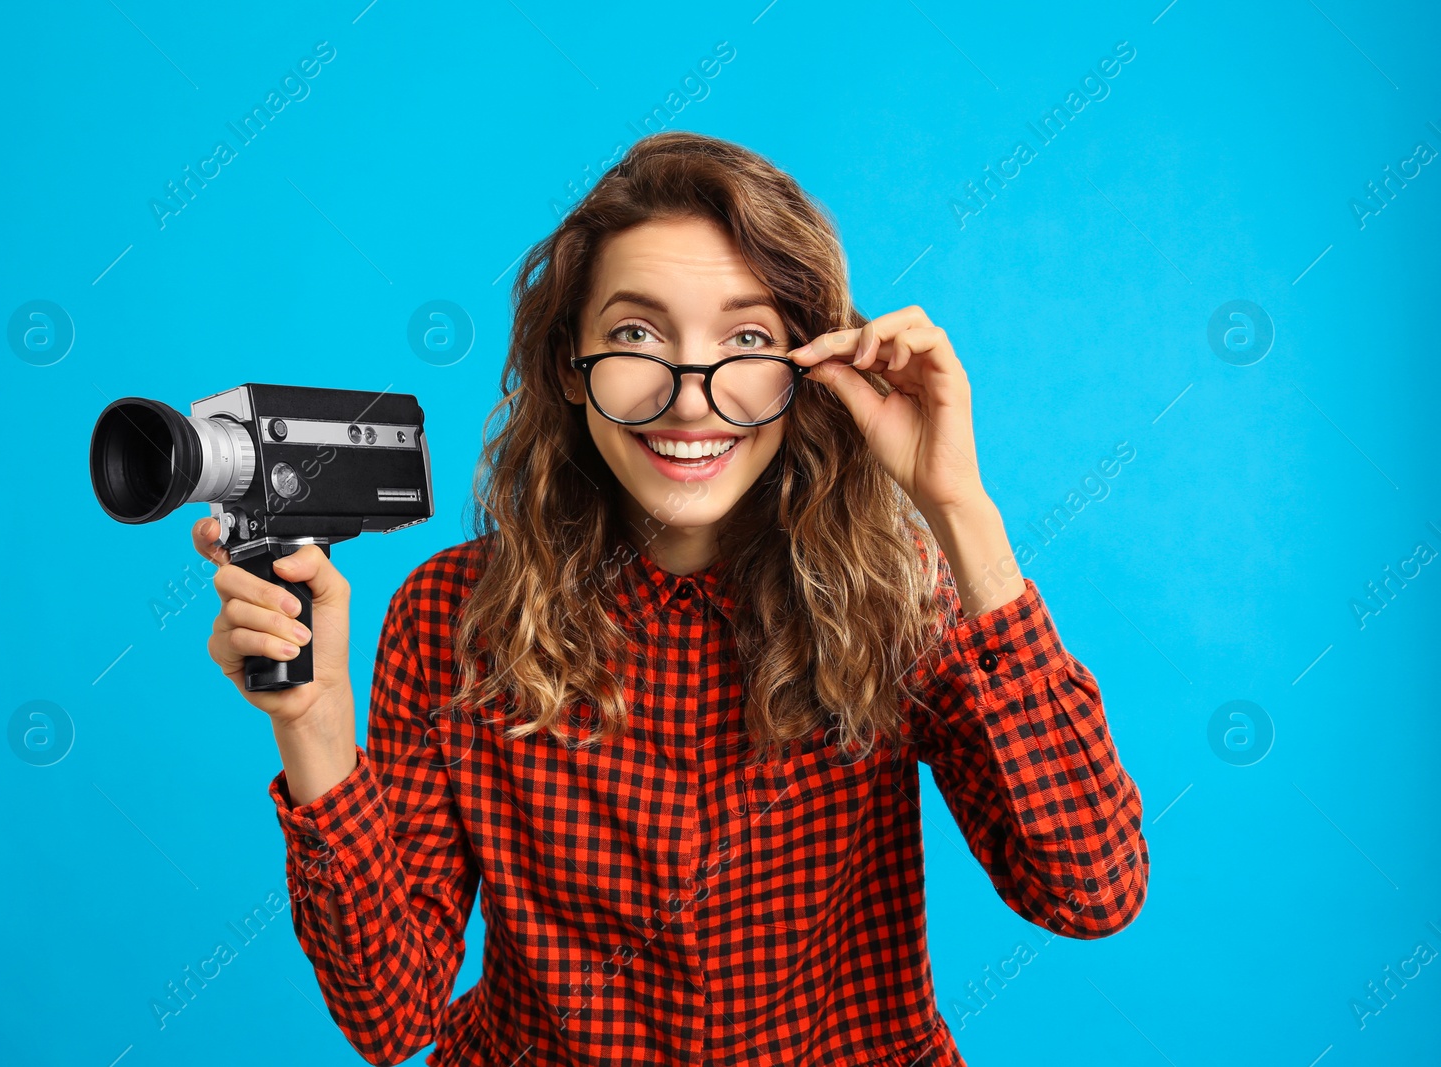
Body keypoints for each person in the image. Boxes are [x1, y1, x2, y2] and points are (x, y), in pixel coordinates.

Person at [191, 131, 1148, 1067]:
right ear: (571, 365)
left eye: (746, 338)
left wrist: (956, 508)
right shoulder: (454, 617)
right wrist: (313, 724)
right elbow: (391, 1019)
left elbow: (1090, 889)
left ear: (809, 368)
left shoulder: (900, 601)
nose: (690, 398)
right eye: (637, 334)